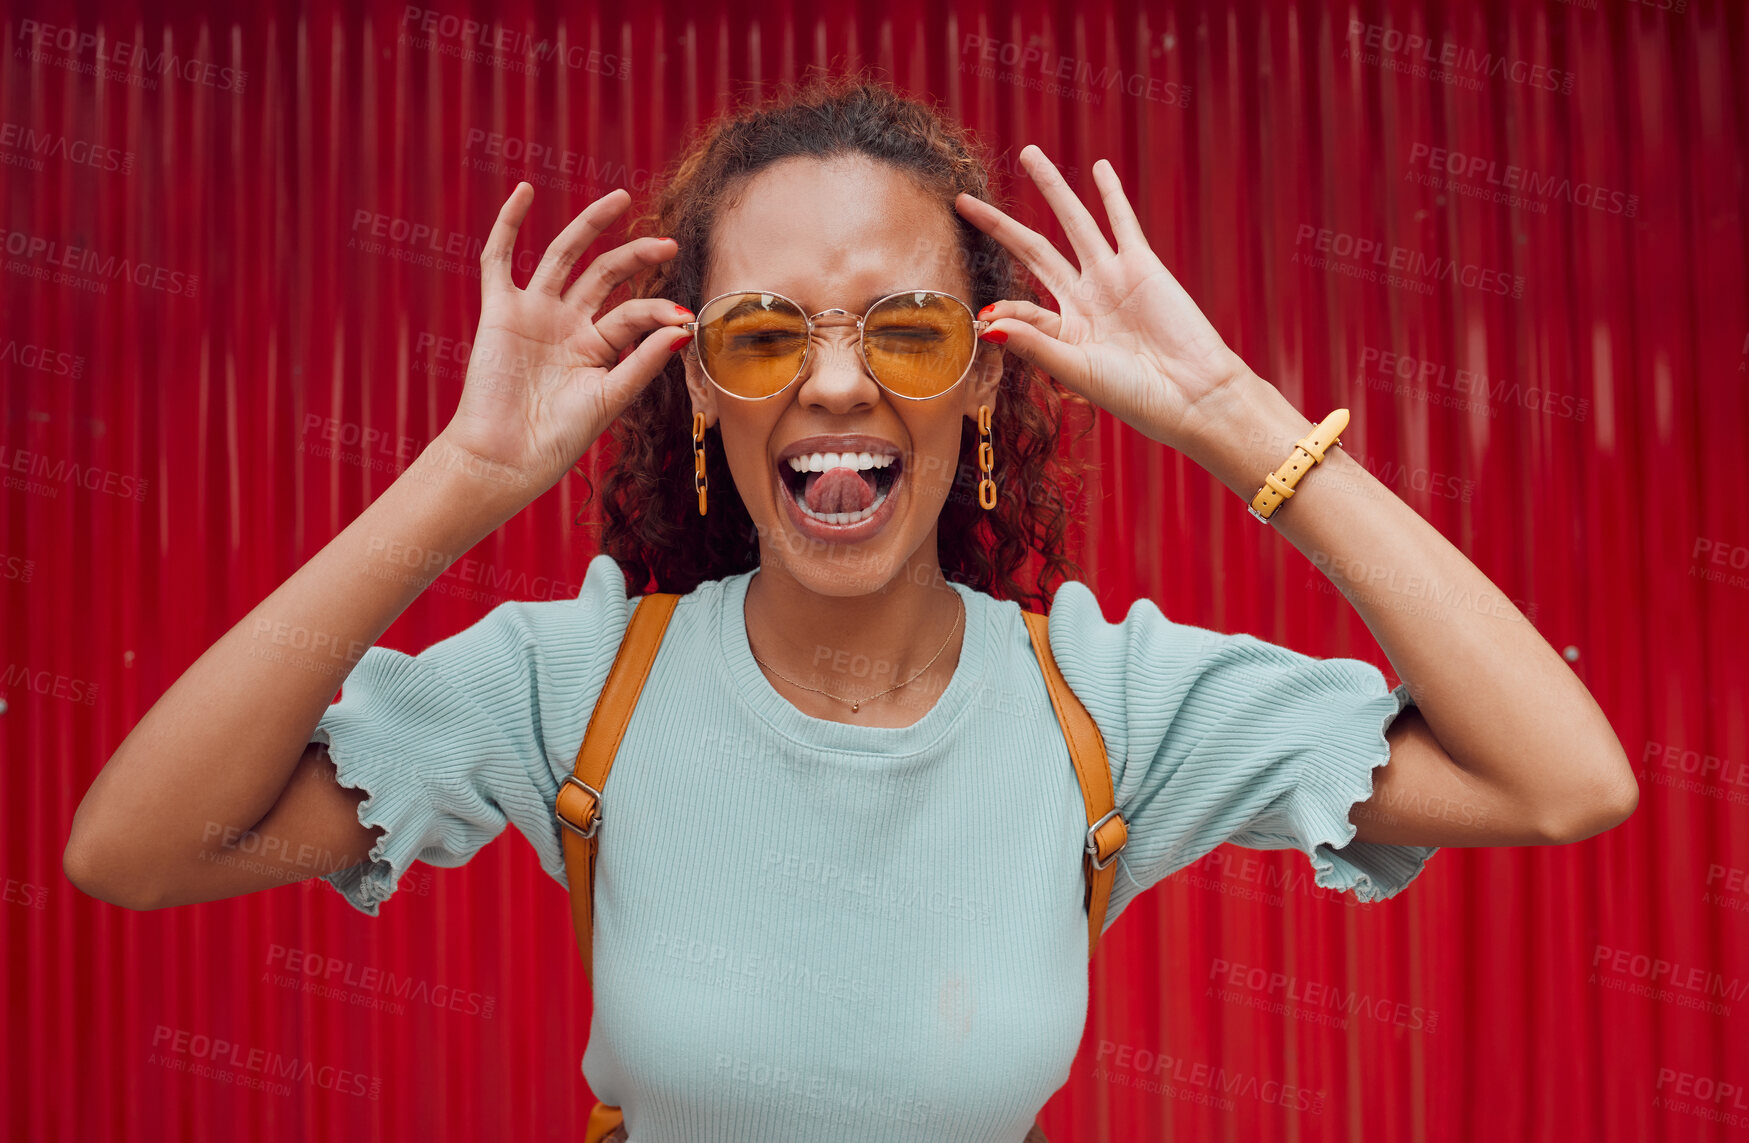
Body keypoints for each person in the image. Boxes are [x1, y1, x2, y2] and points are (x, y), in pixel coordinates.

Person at [63, 77, 1638, 1141]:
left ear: (981, 372)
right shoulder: (569, 685)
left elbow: (1562, 782)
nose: (831, 381)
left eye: (904, 327)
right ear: (696, 387)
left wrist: (1232, 412)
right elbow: (138, 851)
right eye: (761, 334)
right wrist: (461, 480)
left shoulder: (1113, 706)